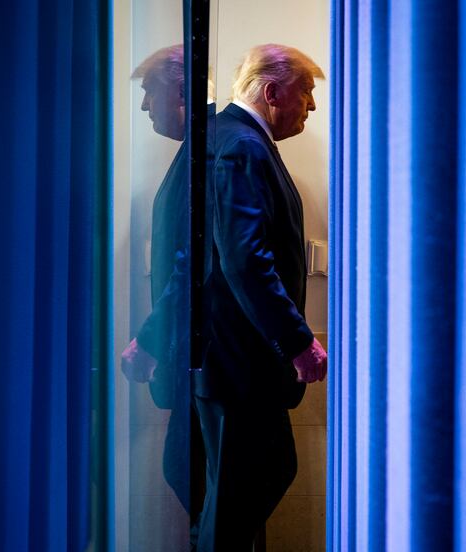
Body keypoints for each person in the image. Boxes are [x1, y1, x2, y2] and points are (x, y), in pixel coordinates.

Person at [192, 44, 328, 551]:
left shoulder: (234, 138)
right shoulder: (243, 145)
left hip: (234, 360)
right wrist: (299, 341)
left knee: (259, 479)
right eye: (307, 92)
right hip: (239, 364)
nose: (311, 106)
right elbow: (246, 259)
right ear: (273, 92)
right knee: (236, 503)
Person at [120, 44, 212, 527]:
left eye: (147, 91)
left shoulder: (208, 153)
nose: (142, 105)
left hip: (200, 364)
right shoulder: (198, 150)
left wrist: (149, 341)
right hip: (194, 364)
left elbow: (190, 265)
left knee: (190, 476)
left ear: (181, 90)